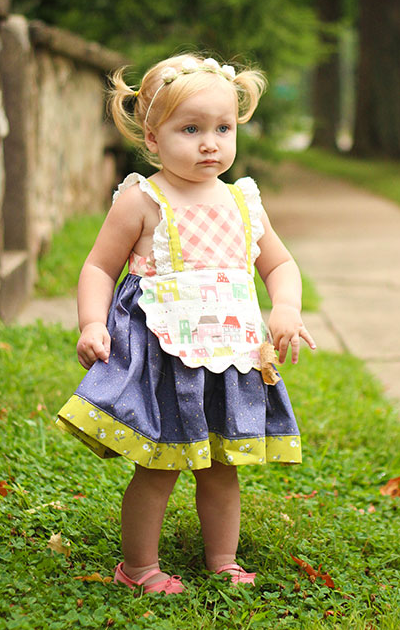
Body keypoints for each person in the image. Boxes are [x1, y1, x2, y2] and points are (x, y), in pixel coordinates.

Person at [57, 53, 316, 595]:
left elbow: (279, 264)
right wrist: (90, 322)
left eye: (223, 128)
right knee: (159, 467)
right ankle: (138, 567)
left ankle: (223, 558)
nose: (210, 143)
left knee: (222, 467)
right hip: (161, 360)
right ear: (153, 138)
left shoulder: (243, 203)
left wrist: (286, 308)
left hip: (230, 358)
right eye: (190, 129)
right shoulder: (143, 200)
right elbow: (99, 266)